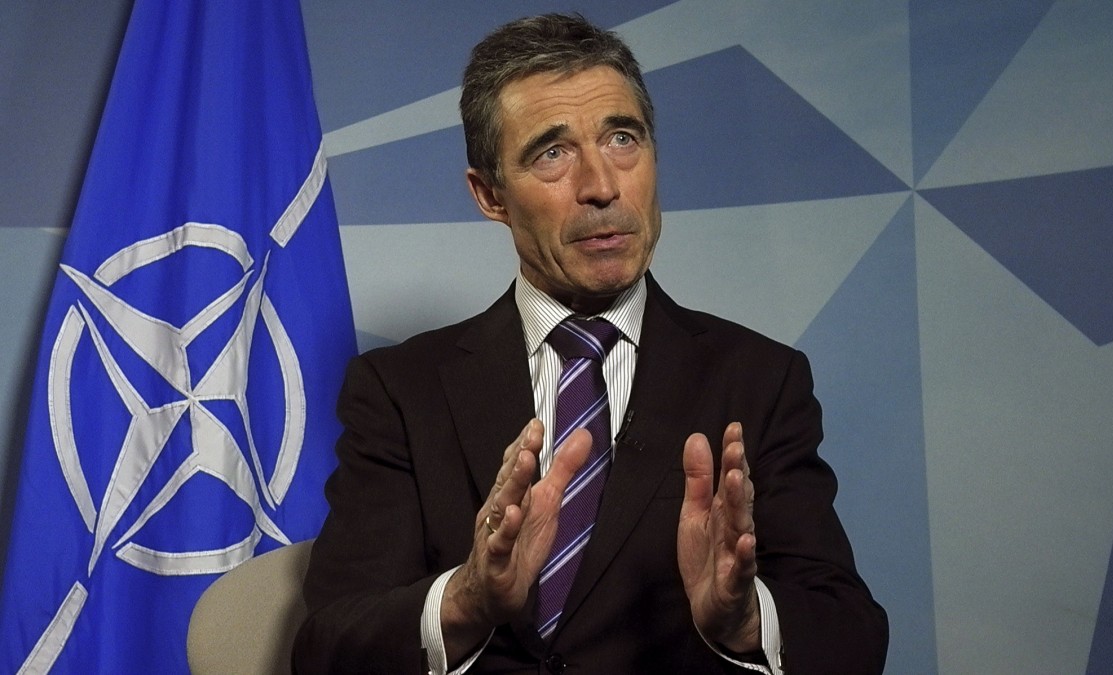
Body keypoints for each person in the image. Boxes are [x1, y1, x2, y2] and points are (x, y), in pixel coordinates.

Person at [293, 13, 887, 674]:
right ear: (490, 195)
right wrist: (468, 599)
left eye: (622, 138)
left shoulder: (761, 380)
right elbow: (326, 647)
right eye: (553, 151)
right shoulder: (399, 391)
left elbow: (851, 637)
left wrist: (745, 619)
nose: (602, 186)